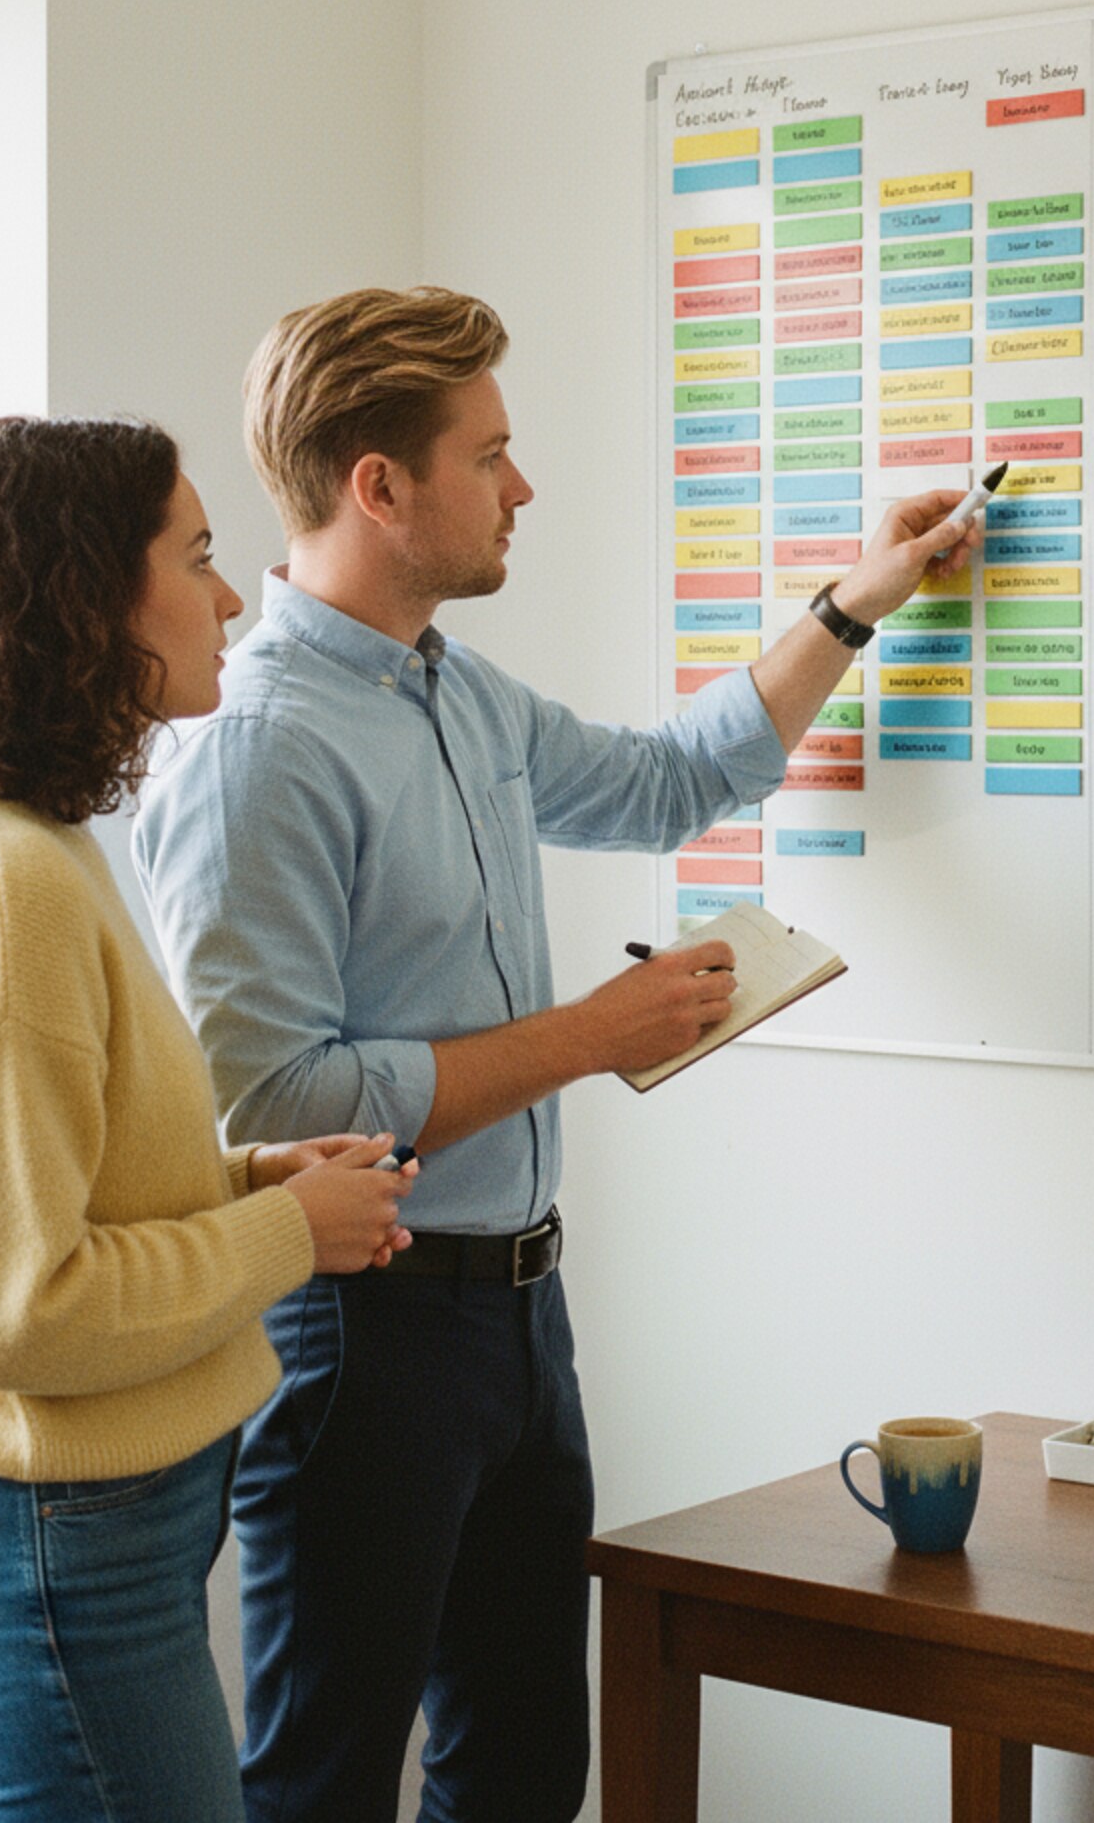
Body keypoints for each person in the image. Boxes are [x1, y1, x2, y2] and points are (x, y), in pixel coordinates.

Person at [133, 287, 979, 1823]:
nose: (523, 488)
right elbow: (268, 1107)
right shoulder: (257, 747)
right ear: (379, 486)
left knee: (522, 1772)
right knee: (323, 1786)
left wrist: (858, 599)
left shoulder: (456, 689)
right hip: (360, 1338)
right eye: (492, 453)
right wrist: (586, 1038)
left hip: (520, 1323)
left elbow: (670, 780)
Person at [0, 414, 420, 1823]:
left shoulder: (16, 849)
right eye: (200, 556)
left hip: (55, 1550)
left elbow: (48, 1194)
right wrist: (285, 1233)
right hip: (45, 1559)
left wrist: (241, 1183)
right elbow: (14, 1309)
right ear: (85, 598)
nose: (232, 597)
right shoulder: (6, 891)